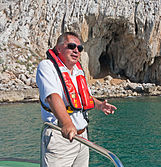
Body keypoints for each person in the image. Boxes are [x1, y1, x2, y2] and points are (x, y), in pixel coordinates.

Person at [36, 32, 117, 167]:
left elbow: (83, 97)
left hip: (82, 137)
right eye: (71, 46)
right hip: (61, 137)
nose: (76, 50)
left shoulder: (77, 71)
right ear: (58, 48)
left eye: (79, 48)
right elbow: (52, 97)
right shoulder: (47, 66)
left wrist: (99, 105)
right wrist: (67, 123)